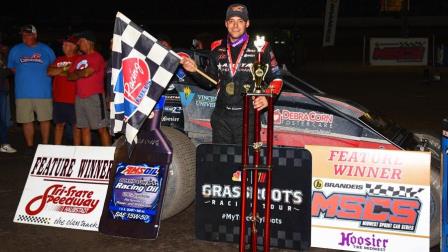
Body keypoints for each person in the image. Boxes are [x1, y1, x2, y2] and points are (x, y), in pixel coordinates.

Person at [181, 3, 283, 144]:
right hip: (222, 117)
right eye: (231, 21)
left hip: (248, 116)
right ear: (226, 23)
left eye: (240, 21)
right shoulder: (216, 47)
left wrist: (267, 97)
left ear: (247, 23)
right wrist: (195, 71)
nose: (235, 26)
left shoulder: (261, 47)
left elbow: (277, 78)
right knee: (222, 162)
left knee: (246, 163)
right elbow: (210, 82)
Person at [7, 25, 56, 154]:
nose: (25, 37)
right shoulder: (15, 50)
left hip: (43, 92)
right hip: (23, 93)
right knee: (26, 120)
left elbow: (54, 67)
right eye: (23, 35)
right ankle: (29, 146)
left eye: (27, 34)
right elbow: (12, 67)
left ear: (35, 35)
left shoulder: (46, 50)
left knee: (44, 120)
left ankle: (45, 145)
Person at [68, 31, 111, 146]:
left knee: (101, 128)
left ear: (88, 42)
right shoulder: (79, 59)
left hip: (94, 97)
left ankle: (108, 157)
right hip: (79, 97)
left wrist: (78, 73)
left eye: (80, 41)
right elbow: (69, 75)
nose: (78, 43)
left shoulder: (96, 57)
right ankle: (85, 156)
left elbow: (87, 73)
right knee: (84, 128)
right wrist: (80, 73)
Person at [47, 35, 81, 145]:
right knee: (59, 125)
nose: (63, 46)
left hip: (74, 99)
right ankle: (57, 150)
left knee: (76, 127)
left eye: (66, 44)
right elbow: (49, 72)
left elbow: (76, 74)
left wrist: (60, 71)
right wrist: (67, 69)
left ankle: (77, 151)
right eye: (63, 44)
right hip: (59, 99)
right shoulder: (59, 59)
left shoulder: (79, 60)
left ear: (74, 46)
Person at [0, 44, 16, 153]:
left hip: (1, 90)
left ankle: (4, 144)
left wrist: (5, 67)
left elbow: (9, 72)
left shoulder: (3, 59)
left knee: (2, 119)